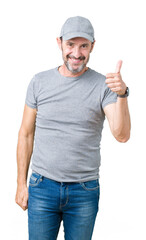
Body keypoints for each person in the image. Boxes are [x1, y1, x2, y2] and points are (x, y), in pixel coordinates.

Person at [15, 16, 131, 240]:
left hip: (83, 191)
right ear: (59, 43)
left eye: (84, 46)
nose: (77, 53)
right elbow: (26, 134)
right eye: (70, 44)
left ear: (92, 47)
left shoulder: (103, 86)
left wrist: (122, 95)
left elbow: (122, 135)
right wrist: (21, 183)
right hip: (42, 187)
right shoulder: (39, 82)